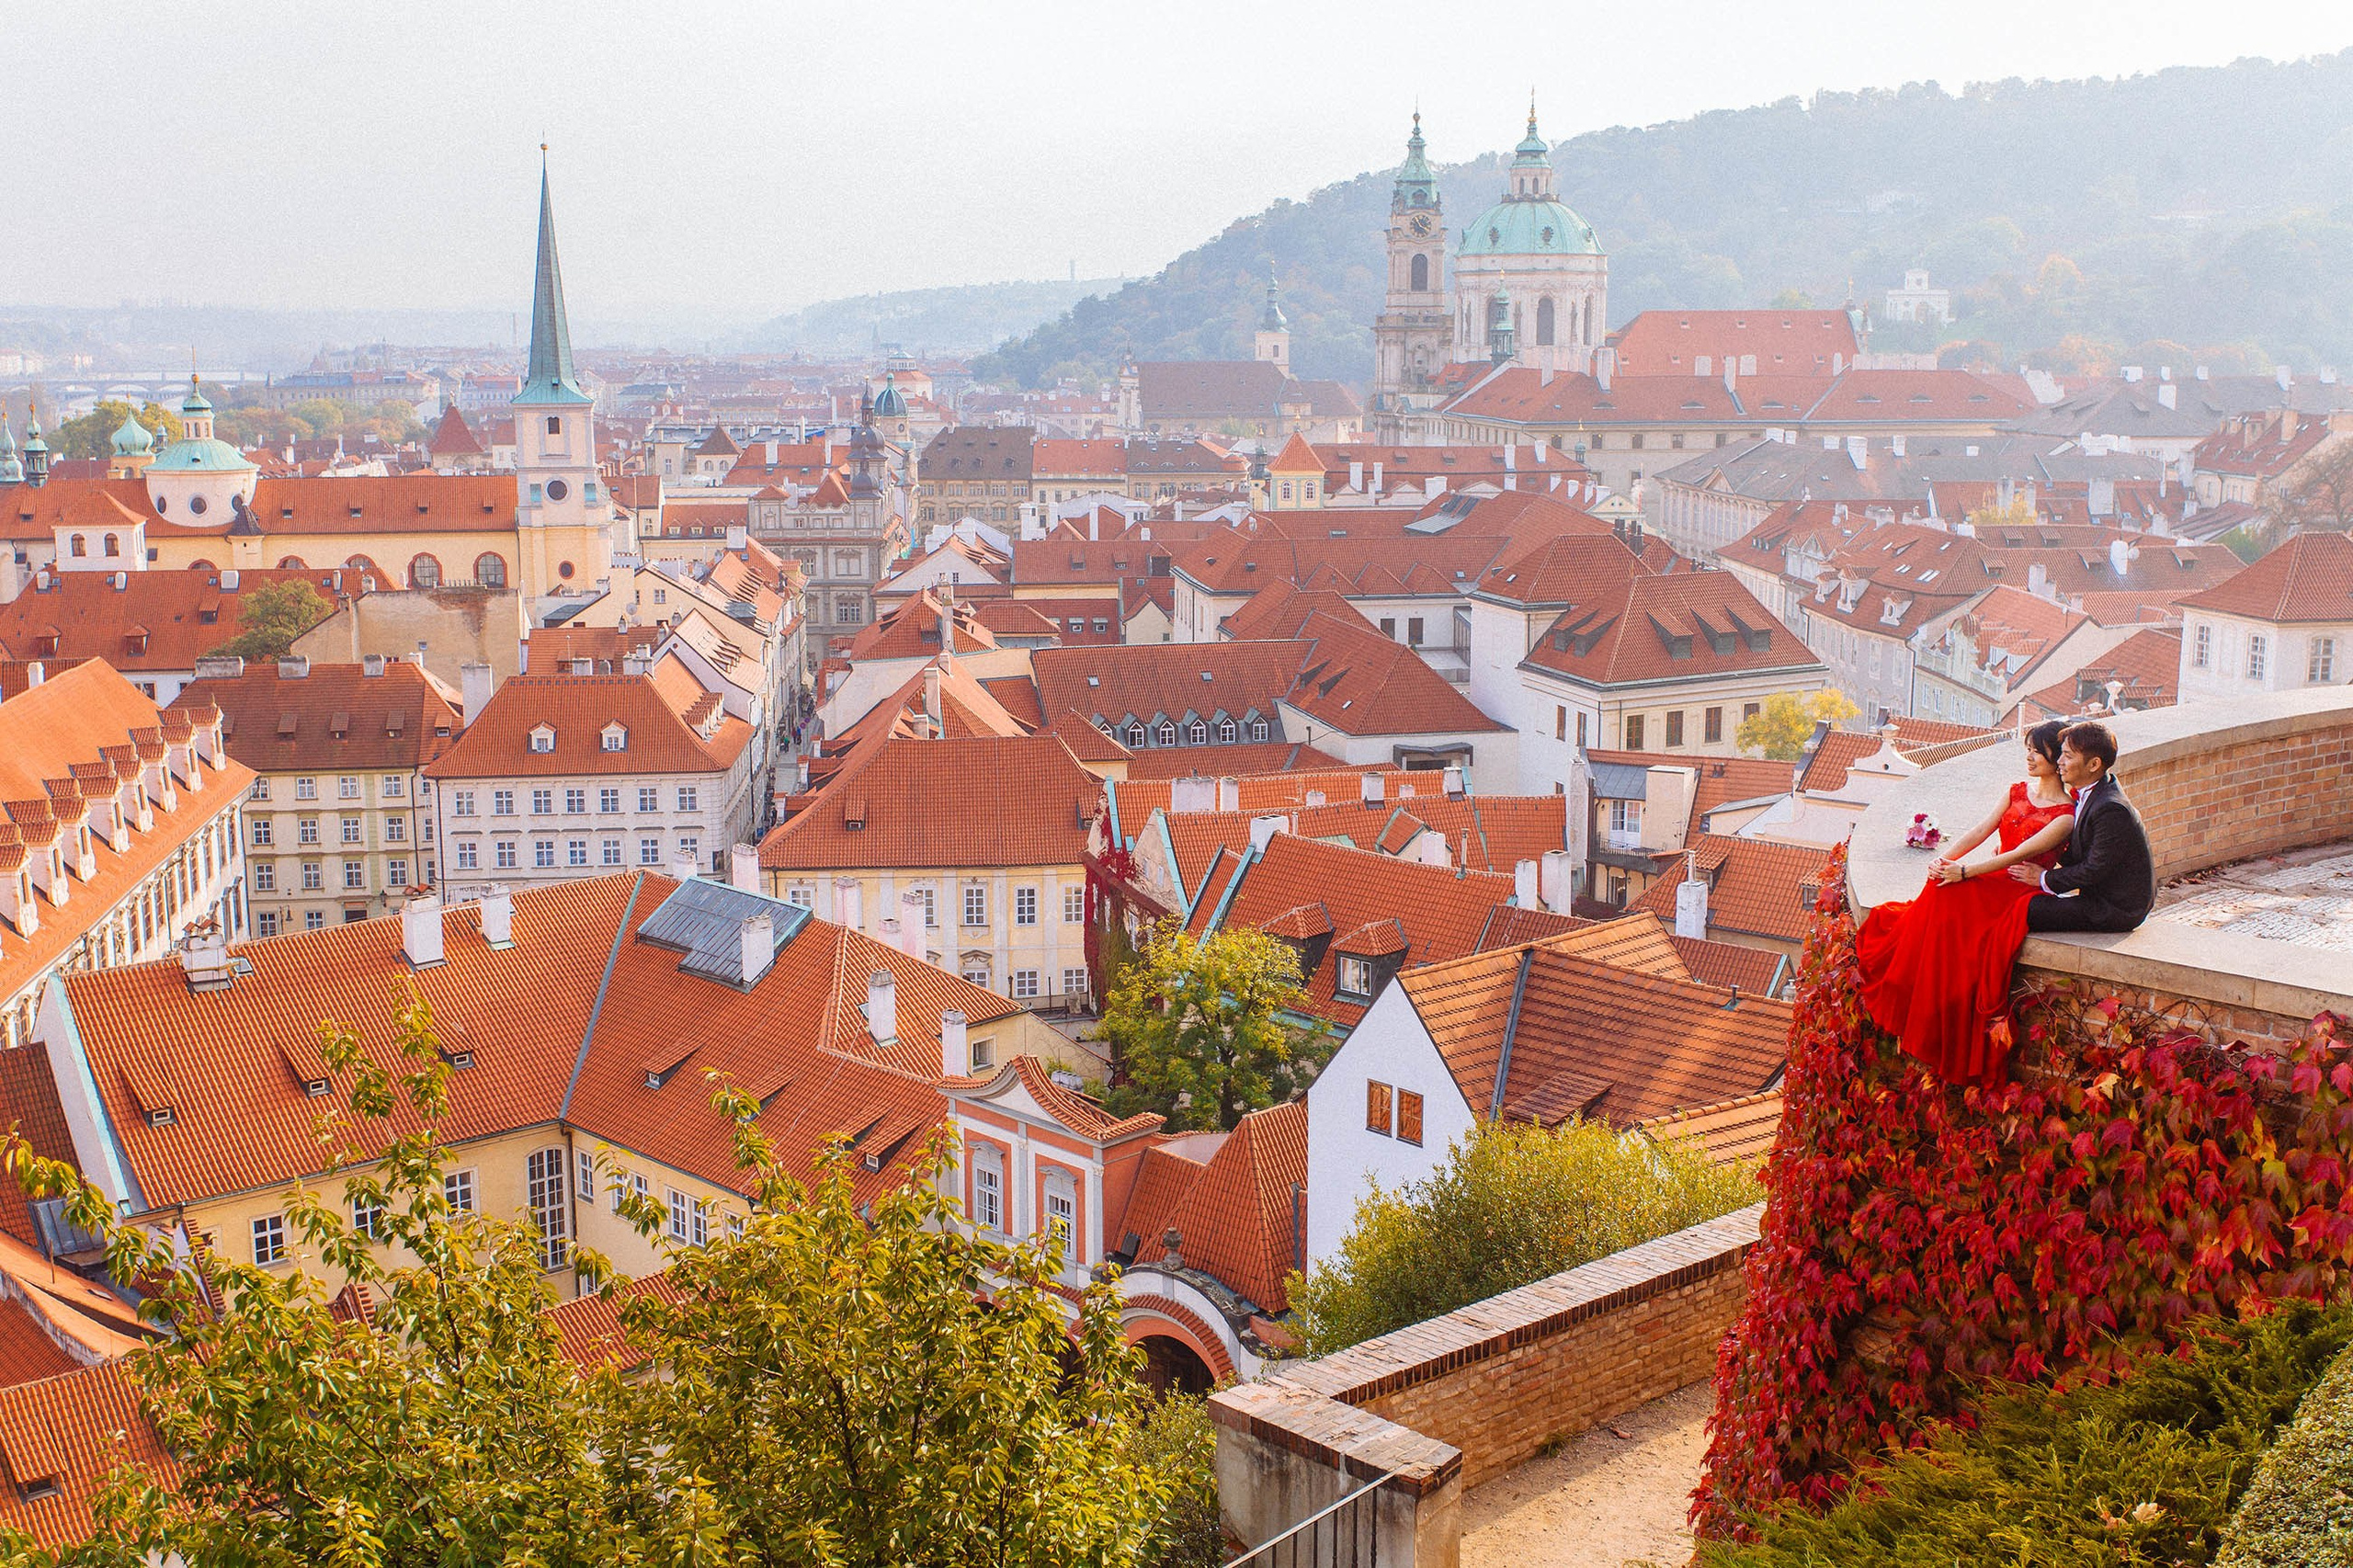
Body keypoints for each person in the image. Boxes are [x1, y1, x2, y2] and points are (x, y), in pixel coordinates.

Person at [1856, 720, 2077, 1085]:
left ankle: (1936, 1003)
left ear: (2057, 758)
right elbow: (1981, 830)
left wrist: (1966, 872)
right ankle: (1918, 985)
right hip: (1990, 874)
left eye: (2038, 751)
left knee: (1953, 890)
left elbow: (2017, 855)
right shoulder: (2017, 790)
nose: (2030, 757)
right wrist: (1946, 858)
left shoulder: (2065, 816)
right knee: (1941, 882)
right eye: (2028, 749)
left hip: (2017, 887)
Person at [2011, 720, 2156, 934]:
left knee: (2022, 909)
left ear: (2094, 765)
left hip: (2115, 908)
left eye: (2068, 756)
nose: (2059, 761)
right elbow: (2073, 851)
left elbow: (2093, 869)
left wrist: (2043, 878)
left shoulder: (2111, 809)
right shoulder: (2091, 793)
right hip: (2097, 895)